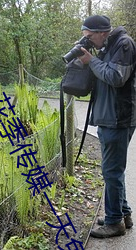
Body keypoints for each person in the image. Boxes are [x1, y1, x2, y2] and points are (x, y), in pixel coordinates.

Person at [78, 15, 136, 238]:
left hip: (118, 118)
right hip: (109, 117)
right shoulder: (107, 46)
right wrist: (88, 59)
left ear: (102, 32)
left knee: (111, 171)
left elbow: (115, 77)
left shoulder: (124, 44)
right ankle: (123, 214)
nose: (89, 41)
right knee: (113, 171)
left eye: (90, 37)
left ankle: (114, 223)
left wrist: (91, 61)